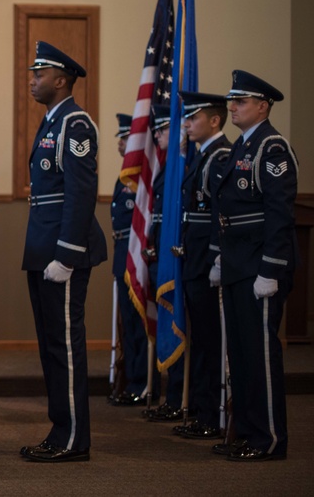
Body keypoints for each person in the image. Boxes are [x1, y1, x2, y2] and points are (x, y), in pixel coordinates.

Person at [19, 41, 106, 463]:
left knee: (65, 347)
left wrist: (67, 255)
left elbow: (81, 192)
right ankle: (61, 432)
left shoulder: (75, 124)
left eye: (39, 74)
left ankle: (72, 439)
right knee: (52, 346)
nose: (32, 80)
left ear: (61, 79)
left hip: (62, 254)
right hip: (44, 250)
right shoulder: (52, 122)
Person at [209, 70, 295, 461]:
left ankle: (269, 439)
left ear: (263, 106)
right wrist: (219, 258)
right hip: (237, 264)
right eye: (231, 101)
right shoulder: (242, 147)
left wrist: (271, 270)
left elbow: (279, 215)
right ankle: (246, 432)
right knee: (241, 356)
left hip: (259, 266)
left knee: (260, 357)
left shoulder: (271, 147)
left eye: (241, 101)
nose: (233, 107)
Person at [172, 91, 231, 440]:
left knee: (210, 340)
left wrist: (215, 258)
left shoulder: (220, 156)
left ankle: (211, 414)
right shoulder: (203, 155)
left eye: (193, 118)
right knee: (202, 339)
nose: (187, 124)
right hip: (194, 259)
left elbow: (217, 217)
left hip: (207, 261)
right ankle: (202, 410)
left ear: (214, 120)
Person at [143, 105, 185, 423]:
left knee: (179, 327)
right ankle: (171, 396)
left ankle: (181, 397)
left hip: (178, 261)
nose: (156, 135)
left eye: (162, 129)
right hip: (161, 258)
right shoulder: (165, 168)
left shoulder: (182, 166)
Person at [106, 113, 149, 407]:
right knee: (128, 325)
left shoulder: (141, 177)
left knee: (138, 323)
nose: (121, 144)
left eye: (125, 138)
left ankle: (142, 383)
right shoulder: (124, 175)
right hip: (123, 252)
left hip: (137, 255)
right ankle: (132, 380)